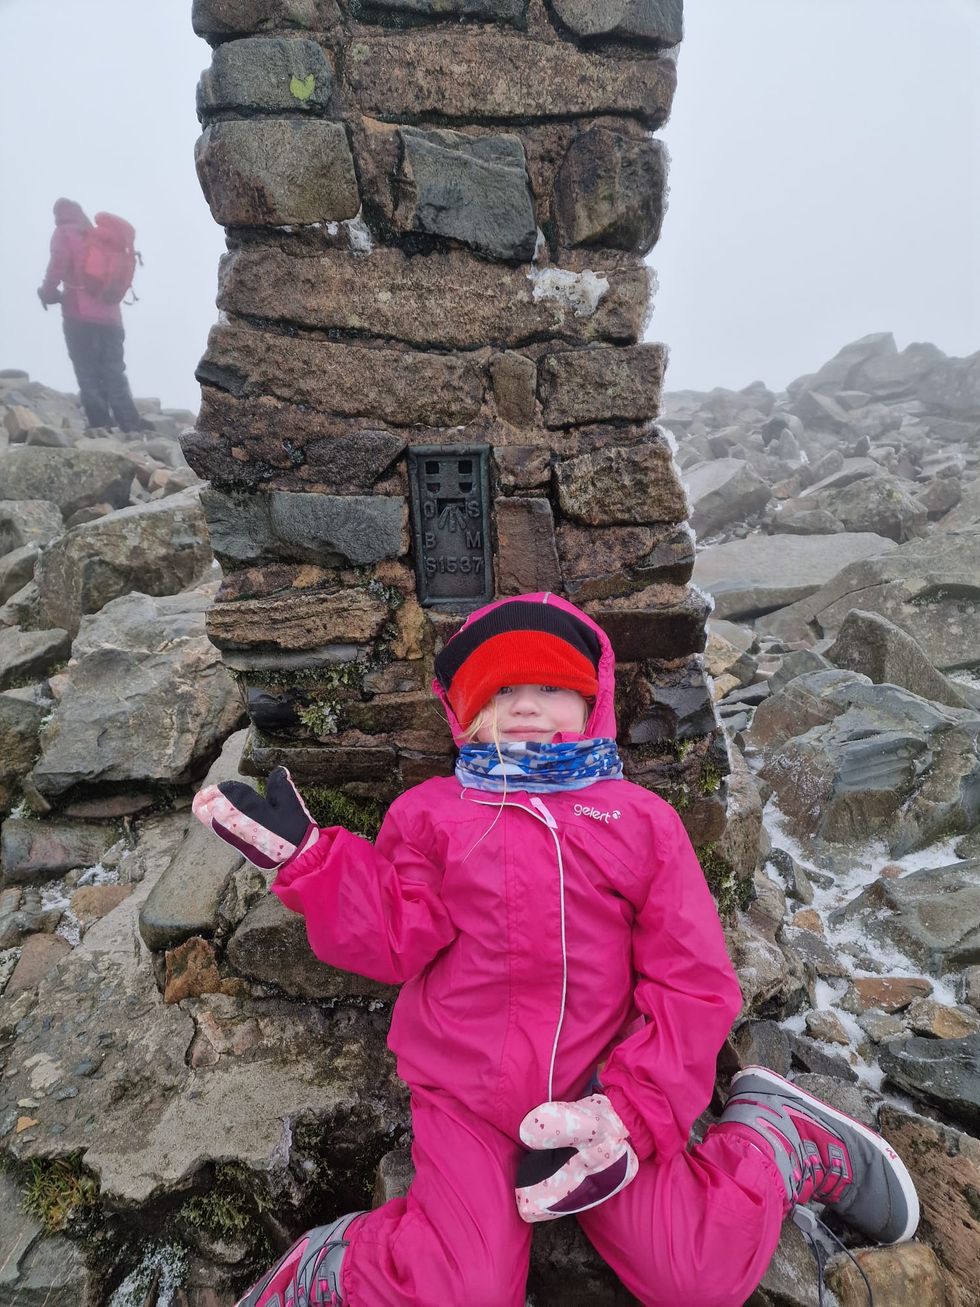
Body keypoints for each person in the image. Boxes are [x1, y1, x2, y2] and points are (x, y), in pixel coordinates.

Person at [193, 592, 919, 1307]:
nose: (527, 703)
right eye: (503, 689)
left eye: (550, 686)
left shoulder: (641, 821)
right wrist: (316, 866)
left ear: (592, 701)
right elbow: (394, 940)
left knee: (696, 1275)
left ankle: (776, 1137)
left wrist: (629, 1112)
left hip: (596, 1096)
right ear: (469, 713)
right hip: (464, 1098)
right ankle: (335, 1262)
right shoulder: (433, 814)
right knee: (465, 1292)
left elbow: (692, 982)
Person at [36, 197, 150, 433]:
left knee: (86, 369)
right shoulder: (96, 236)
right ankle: (130, 424)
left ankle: (100, 424)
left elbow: (57, 267)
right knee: (114, 369)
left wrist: (48, 294)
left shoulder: (64, 233)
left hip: (79, 316)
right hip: (111, 319)